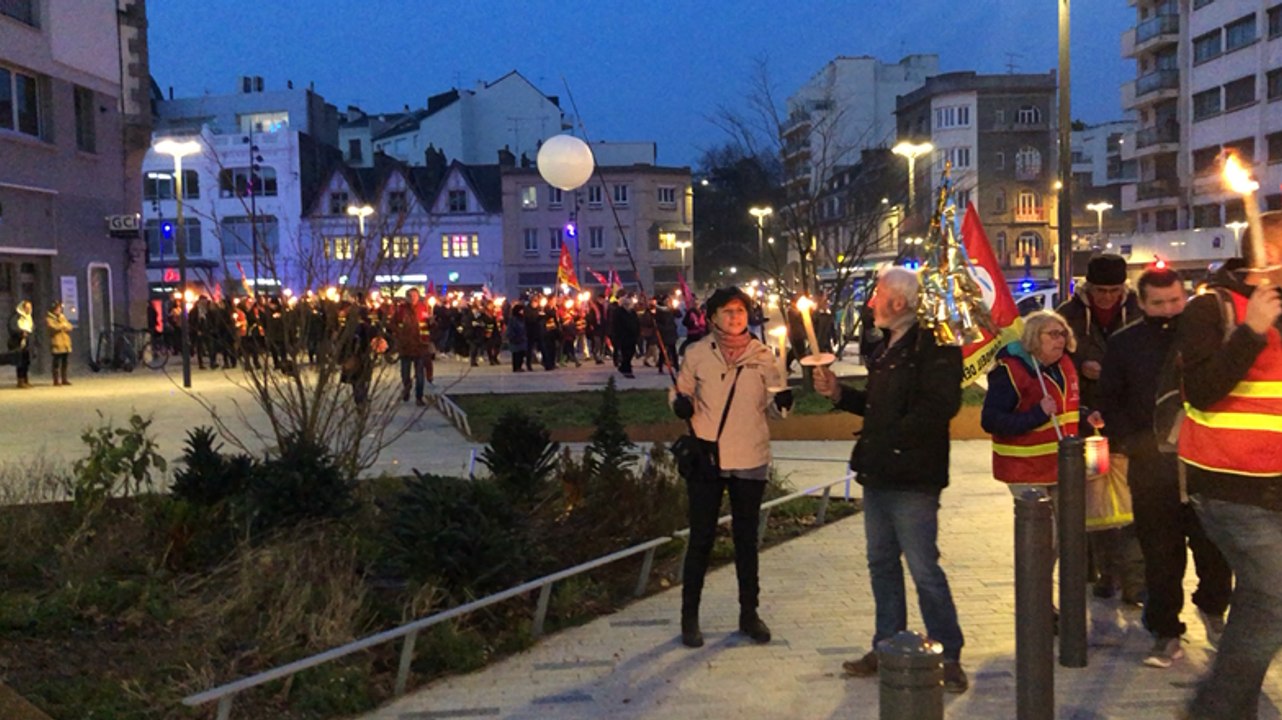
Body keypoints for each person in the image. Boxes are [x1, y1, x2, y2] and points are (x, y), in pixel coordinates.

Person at [813, 266, 969, 693]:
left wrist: (889, 440)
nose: (871, 302)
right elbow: (878, 409)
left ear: (898, 302)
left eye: (877, 294)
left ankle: (949, 654)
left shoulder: (934, 350)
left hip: (912, 477)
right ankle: (887, 645)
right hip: (880, 473)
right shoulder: (885, 348)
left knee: (923, 569)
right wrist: (839, 394)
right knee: (881, 564)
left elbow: (937, 409)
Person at [1094, 267, 1231, 669]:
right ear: (1141, 303)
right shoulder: (1125, 344)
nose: (1170, 309)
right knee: (1160, 552)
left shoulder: (1205, 334)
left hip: (1207, 461)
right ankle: (1165, 630)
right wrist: (1136, 442)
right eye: (1159, 303)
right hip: (1152, 465)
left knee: (1215, 546)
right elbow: (1111, 399)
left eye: (1176, 300)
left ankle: (1214, 608)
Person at [1180, 212, 1282, 720]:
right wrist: (1251, 332)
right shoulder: (1212, 307)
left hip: (1277, 483)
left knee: (1263, 601)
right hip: (1232, 485)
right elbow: (1199, 390)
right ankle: (1215, 711)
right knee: (1272, 597)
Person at [671, 286, 791, 648]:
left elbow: (775, 407)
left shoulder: (763, 356)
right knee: (702, 538)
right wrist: (680, 403)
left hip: (750, 457)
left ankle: (749, 613)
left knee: (746, 540)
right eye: (727, 311)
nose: (735, 317)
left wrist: (784, 401)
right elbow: (681, 391)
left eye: (740, 311)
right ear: (712, 317)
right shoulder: (696, 353)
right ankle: (689, 617)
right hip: (708, 457)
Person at [1057, 253, 1145, 604]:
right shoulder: (1070, 315)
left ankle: (1134, 580)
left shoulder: (1139, 311)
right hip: (1091, 424)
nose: (1106, 297)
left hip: (1130, 424)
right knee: (1098, 499)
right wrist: (1082, 366)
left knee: (1132, 502)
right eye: (1100, 290)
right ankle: (1106, 572)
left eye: (1113, 290)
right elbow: (1057, 355)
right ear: (1088, 287)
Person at [392, 288, 434, 406]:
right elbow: (392, 324)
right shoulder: (401, 310)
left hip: (420, 346)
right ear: (407, 297)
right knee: (405, 373)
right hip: (405, 346)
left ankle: (419, 397)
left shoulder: (424, 308)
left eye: (415, 295)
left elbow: (430, 327)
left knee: (420, 374)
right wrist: (400, 333)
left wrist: (432, 322)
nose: (413, 298)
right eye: (410, 296)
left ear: (418, 296)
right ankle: (407, 386)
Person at [8, 300, 34, 388]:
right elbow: (12, 327)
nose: (29, 309)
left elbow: (32, 328)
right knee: (20, 362)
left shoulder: (29, 317)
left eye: (30, 307)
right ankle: (20, 380)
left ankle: (26, 379)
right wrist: (21, 332)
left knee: (26, 362)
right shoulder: (16, 317)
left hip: (27, 342)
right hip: (18, 342)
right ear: (23, 308)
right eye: (27, 308)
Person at [47, 301, 73, 387]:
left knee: (65, 362)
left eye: (60, 309)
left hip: (65, 343)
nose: (59, 310)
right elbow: (53, 328)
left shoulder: (62, 317)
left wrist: (65, 326)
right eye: (58, 309)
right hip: (56, 343)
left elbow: (70, 326)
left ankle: (64, 379)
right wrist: (62, 326)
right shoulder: (49, 318)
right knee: (56, 363)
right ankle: (56, 380)